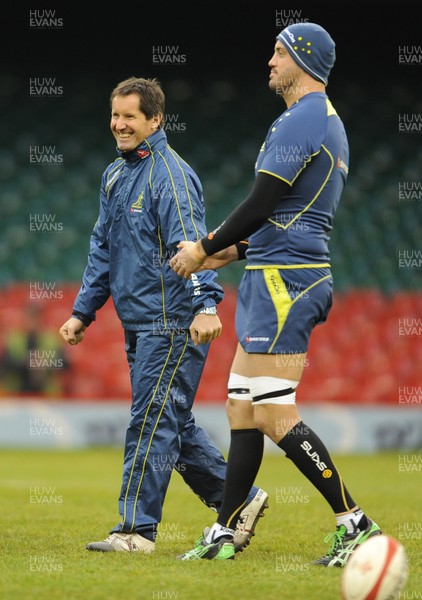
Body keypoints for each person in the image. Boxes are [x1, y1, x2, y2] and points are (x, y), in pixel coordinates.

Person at [170, 23, 381, 565]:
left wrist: (206, 246)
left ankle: (354, 522)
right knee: (242, 407)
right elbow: (287, 213)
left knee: (270, 411)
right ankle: (224, 532)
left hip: (289, 280)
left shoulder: (305, 117)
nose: (269, 61)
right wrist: (230, 252)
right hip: (275, 272)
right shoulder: (311, 120)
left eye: (277, 52)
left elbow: (264, 198)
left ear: (303, 60)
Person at [59, 77, 268, 554]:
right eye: (115, 115)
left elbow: (191, 244)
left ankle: (136, 531)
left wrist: (205, 304)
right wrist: (82, 312)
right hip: (138, 325)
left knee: (150, 420)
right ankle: (239, 501)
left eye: (130, 116)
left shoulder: (171, 175)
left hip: (172, 322)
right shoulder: (114, 175)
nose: (119, 124)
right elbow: (101, 248)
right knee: (170, 421)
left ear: (155, 120)